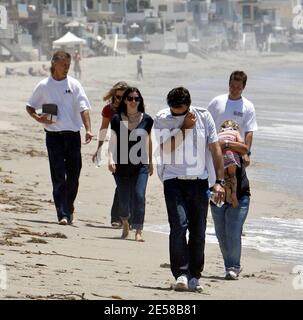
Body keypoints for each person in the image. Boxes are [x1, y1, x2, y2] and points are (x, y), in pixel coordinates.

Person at [154, 87, 225, 292]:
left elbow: (215, 148)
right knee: (178, 226)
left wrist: (219, 181)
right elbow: (166, 148)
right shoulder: (162, 118)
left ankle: (195, 275)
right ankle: (181, 274)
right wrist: (184, 127)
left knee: (198, 231)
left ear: (189, 105)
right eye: (174, 110)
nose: (177, 114)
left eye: (182, 111)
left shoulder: (204, 116)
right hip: (173, 180)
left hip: (199, 181)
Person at [26, 50, 93, 225]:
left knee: (73, 176)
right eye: (64, 65)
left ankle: (68, 206)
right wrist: (37, 118)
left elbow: (84, 108)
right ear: (54, 63)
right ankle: (62, 214)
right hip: (53, 137)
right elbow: (30, 106)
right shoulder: (44, 85)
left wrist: (88, 129)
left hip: (72, 136)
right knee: (58, 176)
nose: (66, 68)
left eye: (68, 66)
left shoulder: (74, 84)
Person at [207, 70, 258, 280]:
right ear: (228, 83)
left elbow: (249, 132)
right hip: (215, 157)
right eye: (232, 85)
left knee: (233, 228)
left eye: (238, 87)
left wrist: (247, 153)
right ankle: (230, 264)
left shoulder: (248, 106)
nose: (234, 89)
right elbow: (207, 125)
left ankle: (233, 266)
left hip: (237, 156)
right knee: (220, 231)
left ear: (243, 87)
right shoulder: (217, 102)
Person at [108, 87, 153, 242]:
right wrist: (110, 159)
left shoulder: (147, 119)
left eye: (136, 98)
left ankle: (138, 230)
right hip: (121, 165)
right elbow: (113, 140)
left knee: (139, 195)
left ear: (140, 101)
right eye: (130, 98)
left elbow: (149, 140)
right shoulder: (116, 119)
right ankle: (126, 222)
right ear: (125, 100)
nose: (133, 101)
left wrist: (151, 162)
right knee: (123, 198)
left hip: (141, 165)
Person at [92, 81, 129, 228]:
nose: (120, 99)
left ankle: (126, 217)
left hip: (134, 149)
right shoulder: (108, 110)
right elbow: (103, 129)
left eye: (123, 96)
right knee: (121, 184)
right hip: (116, 149)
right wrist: (99, 148)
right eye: (117, 96)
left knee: (130, 184)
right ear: (113, 95)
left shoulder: (134, 106)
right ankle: (117, 217)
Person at [218, 120, 247, 208]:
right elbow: (241, 143)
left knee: (224, 176)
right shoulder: (235, 132)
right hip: (231, 154)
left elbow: (214, 145)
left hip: (221, 156)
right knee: (232, 175)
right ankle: (234, 193)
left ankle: (227, 193)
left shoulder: (218, 133)